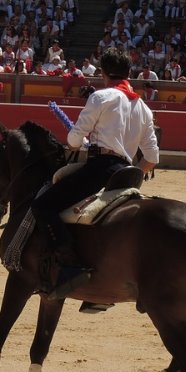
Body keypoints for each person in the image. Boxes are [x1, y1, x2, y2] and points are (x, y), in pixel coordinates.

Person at [31, 47, 159, 301]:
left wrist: (77, 142)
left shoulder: (101, 97)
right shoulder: (143, 107)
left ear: (102, 73)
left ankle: (69, 264)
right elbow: (152, 158)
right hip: (128, 173)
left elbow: (74, 139)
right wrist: (134, 173)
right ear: (128, 73)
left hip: (100, 168)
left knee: (42, 205)